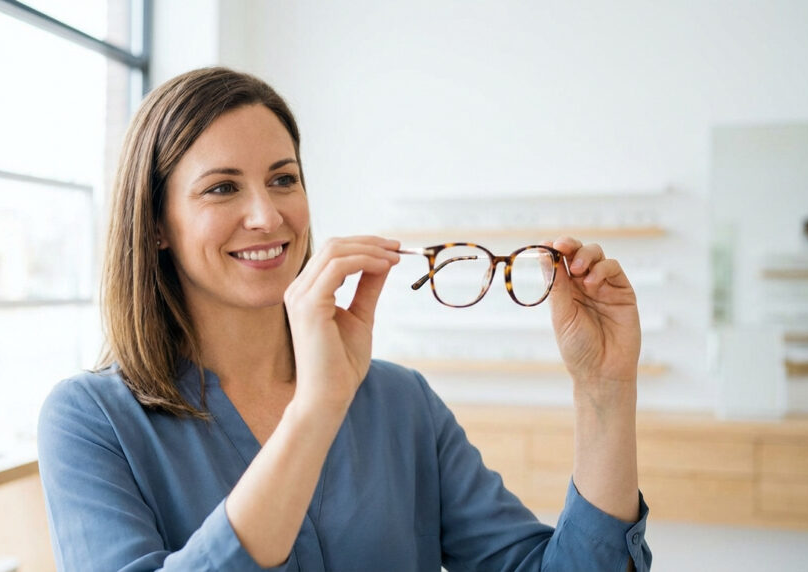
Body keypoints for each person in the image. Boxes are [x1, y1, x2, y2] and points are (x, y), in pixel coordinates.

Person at [37, 67, 652, 571]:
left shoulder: (401, 402)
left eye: (284, 179)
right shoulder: (91, 421)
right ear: (156, 225)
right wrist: (316, 410)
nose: (267, 216)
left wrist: (605, 389)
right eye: (222, 188)